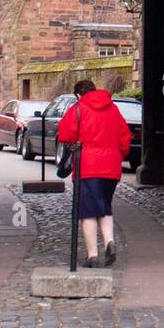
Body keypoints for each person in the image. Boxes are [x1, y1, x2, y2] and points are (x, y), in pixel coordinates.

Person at [57, 78, 132, 268]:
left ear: (78, 95)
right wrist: (116, 154)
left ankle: (93, 256)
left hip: (88, 167)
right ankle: (109, 241)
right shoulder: (113, 109)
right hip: (111, 167)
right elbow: (125, 137)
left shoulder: (78, 109)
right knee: (104, 206)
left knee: (87, 212)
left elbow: (65, 134)